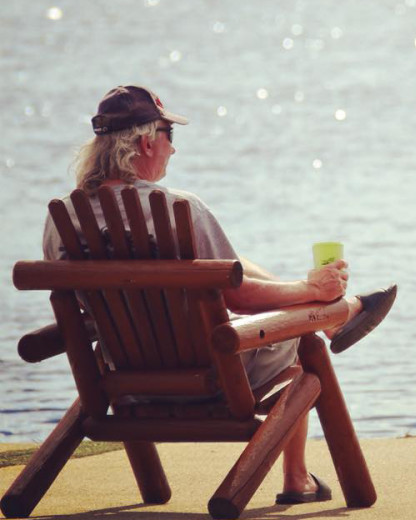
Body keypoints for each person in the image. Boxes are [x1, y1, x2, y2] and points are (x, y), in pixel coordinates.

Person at [42, 85, 397, 504]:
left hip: (122, 383)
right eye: (169, 137)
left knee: (236, 266)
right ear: (146, 141)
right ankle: (336, 320)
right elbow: (240, 299)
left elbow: (86, 301)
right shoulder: (180, 210)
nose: (173, 151)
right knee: (304, 343)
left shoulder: (62, 218)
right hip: (210, 377)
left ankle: (335, 316)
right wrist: (311, 291)